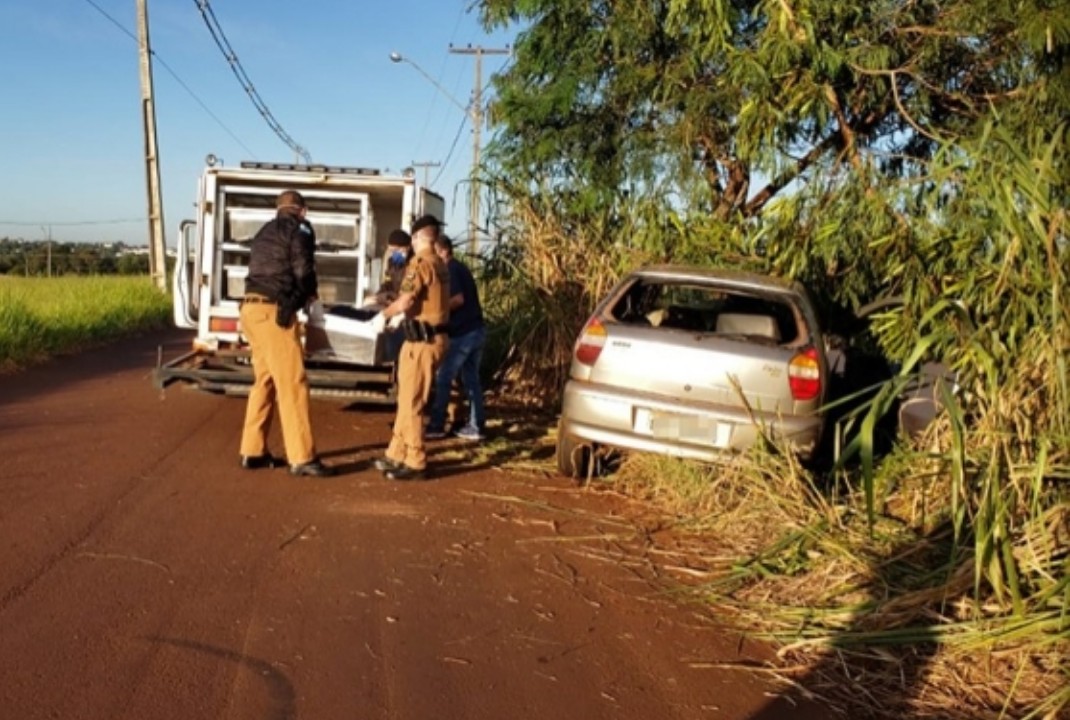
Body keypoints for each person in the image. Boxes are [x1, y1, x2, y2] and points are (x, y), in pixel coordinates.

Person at [238, 190, 333, 477]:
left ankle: (252, 450)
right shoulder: (299, 229)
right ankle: (302, 457)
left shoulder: (263, 232)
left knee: (265, 380)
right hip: (274, 313)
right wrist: (304, 298)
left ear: (278, 208)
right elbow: (304, 269)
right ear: (302, 210)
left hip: (250, 311)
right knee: (293, 382)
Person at [371, 214, 450, 481]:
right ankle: (396, 452)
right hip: (431, 339)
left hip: (422, 341)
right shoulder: (440, 263)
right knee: (406, 399)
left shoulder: (419, 263)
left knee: (412, 401)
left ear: (416, 238)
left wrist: (381, 316)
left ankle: (416, 459)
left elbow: (405, 301)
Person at [425, 235, 486, 441]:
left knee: (443, 377)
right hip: (476, 330)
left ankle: (436, 424)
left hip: (464, 334)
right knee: (471, 380)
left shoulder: (450, 270)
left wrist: (439, 311)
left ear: (443, 251)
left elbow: (458, 299)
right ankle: (476, 425)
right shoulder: (461, 268)